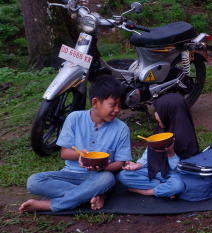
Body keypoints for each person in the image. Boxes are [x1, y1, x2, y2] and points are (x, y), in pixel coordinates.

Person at [19, 76, 131, 213]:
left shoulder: (121, 128)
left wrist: (103, 167)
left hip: (99, 176)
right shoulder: (74, 118)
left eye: (120, 105)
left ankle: (51, 205)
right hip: (70, 176)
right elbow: (64, 153)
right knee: (34, 181)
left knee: (107, 179)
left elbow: (120, 164)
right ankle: (96, 195)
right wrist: (81, 155)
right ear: (96, 102)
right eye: (113, 104)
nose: (118, 109)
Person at [118, 94, 199, 198]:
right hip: (156, 170)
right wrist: (138, 165)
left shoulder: (185, 136)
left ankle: (148, 191)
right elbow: (150, 153)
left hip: (175, 175)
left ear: (170, 114)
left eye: (159, 112)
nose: (155, 115)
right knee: (124, 176)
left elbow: (180, 170)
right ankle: (163, 188)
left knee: (177, 185)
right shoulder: (161, 128)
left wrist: (171, 153)